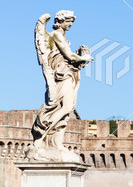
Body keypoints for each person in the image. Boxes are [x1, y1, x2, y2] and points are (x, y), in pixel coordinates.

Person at [28, 10, 92, 162]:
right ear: (61, 21)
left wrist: (80, 58)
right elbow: (68, 56)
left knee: (65, 110)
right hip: (61, 76)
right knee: (65, 107)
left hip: (67, 74)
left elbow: (68, 58)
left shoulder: (61, 37)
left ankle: (56, 142)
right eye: (69, 21)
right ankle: (41, 136)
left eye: (71, 22)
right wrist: (85, 57)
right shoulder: (56, 35)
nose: (70, 24)